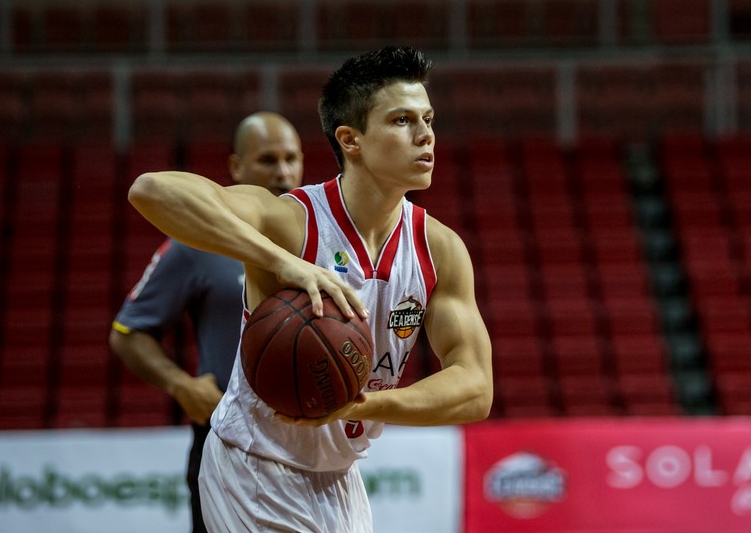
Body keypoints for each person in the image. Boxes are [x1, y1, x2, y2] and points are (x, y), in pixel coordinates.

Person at [127, 46, 494, 532]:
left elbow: (475, 389)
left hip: (339, 474)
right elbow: (150, 191)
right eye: (402, 121)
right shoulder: (291, 221)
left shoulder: (440, 248)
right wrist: (280, 262)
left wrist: (365, 403)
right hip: (254, 461)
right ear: (351, 140)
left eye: (428, 119)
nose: (425, 135)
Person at [109, 111, 304, 533]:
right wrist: (180, 384)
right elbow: (127, 332)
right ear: (236, 168)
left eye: (292, 158)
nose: (284, 172)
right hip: (226, 437)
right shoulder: (197, 241)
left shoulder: (321, 240)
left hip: (308, 443)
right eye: (268, 160)